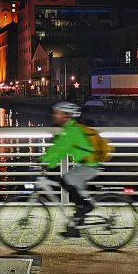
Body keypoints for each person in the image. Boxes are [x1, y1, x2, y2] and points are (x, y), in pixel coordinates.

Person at [41, 101, 99, 238]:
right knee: (77, 193)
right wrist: (46, 160)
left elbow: (61, 149)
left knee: (66, 180)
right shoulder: (69, 129)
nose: (55, 115)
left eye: (58, 113)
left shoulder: (72, 131)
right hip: (86, 164)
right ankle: (75, 227)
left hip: (90, 164)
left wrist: (47, 164)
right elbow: (58, 147)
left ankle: (86, 207)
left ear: (67, 116)